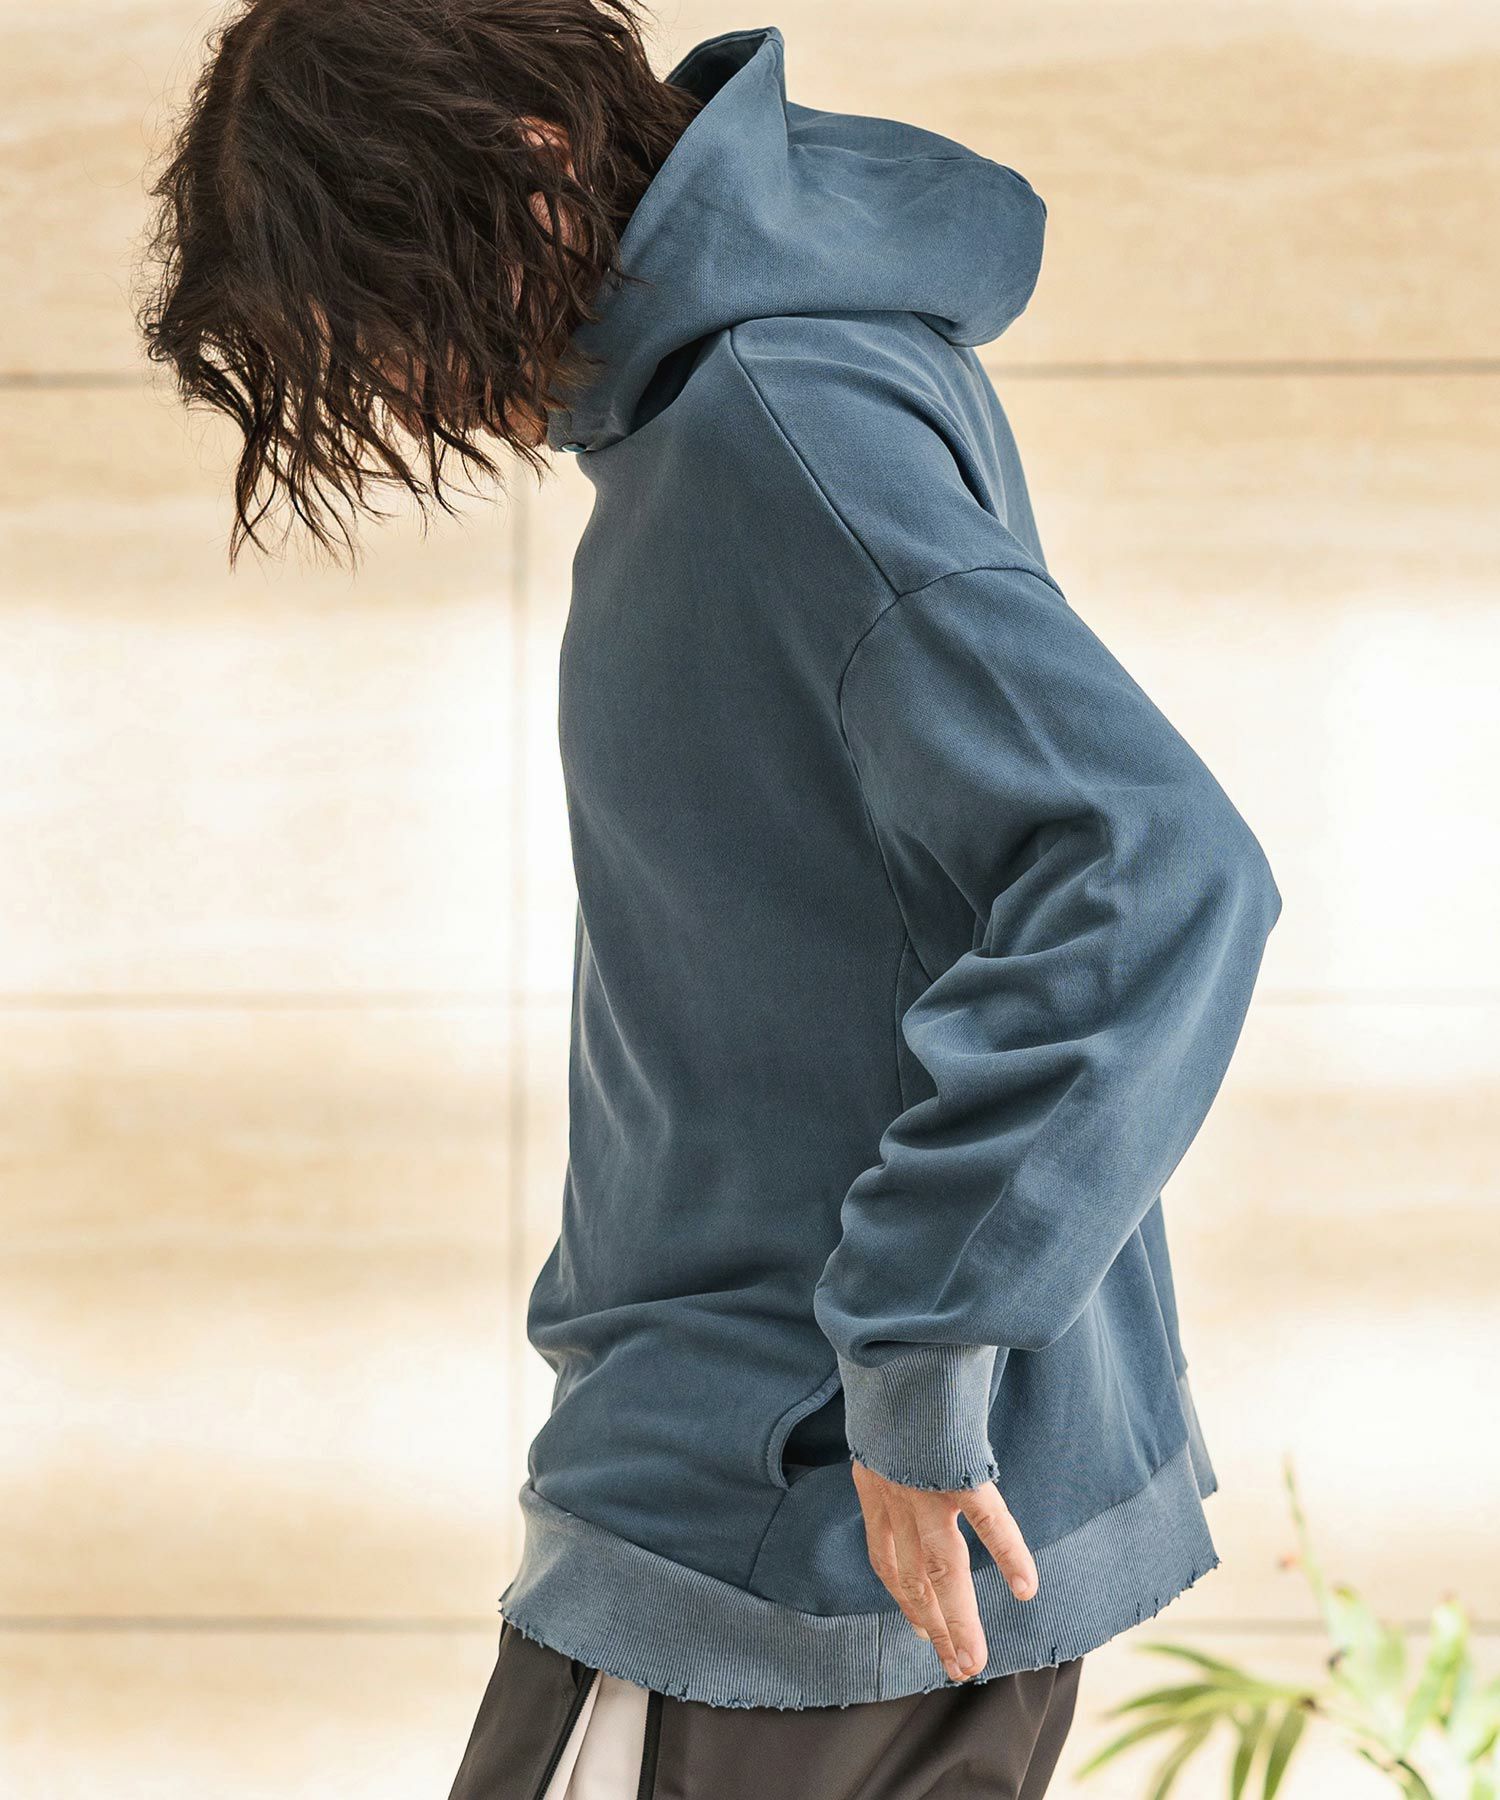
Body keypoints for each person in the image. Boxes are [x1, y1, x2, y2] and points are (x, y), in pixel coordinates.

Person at [137, 5, 1283, 1794]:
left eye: (389, 311)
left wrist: (915, 1355)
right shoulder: (765, 390)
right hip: (811, 1494)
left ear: (527, 165)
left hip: (785, 1512)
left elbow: (1153, 865)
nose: (413, 390)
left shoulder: (774, 419)